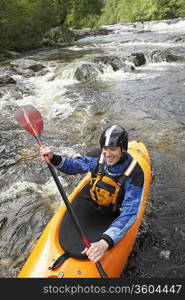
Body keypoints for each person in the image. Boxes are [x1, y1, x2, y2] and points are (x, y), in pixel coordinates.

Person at [40, 124, 144, 264]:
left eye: (113, 149)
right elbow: (73, 166)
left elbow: (130, 211)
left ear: (123, 149)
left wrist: (104, 242)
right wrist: (53, 158)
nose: (108, 154)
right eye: (105, 149)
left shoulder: (135, 173)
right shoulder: (97, 156)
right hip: (92, 204)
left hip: (114, 213)